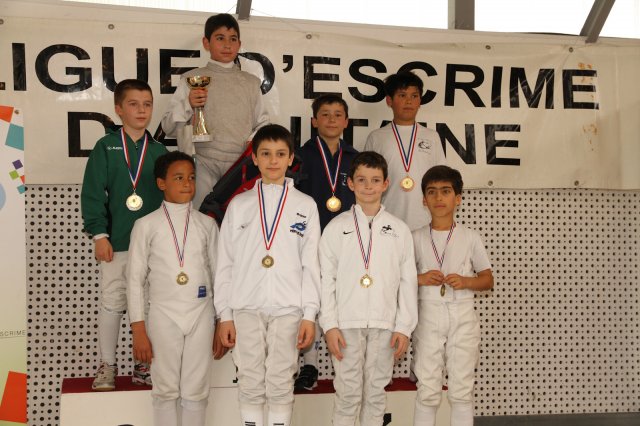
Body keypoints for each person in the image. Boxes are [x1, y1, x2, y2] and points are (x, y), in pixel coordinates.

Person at [215, 124, 321, 426]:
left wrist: (309, 314)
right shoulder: (239, 205)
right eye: (266, 154)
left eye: (280, 154)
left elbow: (311, 265)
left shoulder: (305, 206)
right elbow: (225, 263)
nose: (273, 161)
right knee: (249, 379)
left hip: (289, 307)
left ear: (291, 159)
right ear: (254, 158)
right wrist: (225, 314)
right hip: (245, 306)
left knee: (281, 380)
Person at [319, 151, 418, 426]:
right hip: (345, 324)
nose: (368, 186)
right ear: (350, 183)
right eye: (361, 180)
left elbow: (408, 282)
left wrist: (404, 327)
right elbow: (326, 280)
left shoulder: (399, 230)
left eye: (375, 180)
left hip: (385, 323)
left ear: (386, 184)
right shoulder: (336, 228)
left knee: (375, 393)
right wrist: (329, 325)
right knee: (347, 393)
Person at [81, 79, 168, 391]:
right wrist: (99, 235)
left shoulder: (159, 151)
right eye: (133, 104)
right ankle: (107, 364)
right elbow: (93, 193)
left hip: (153, 246)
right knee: (112, 301)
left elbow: (169, 199)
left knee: (148, 304)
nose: (141, 110)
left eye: (147, 104)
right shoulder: (106, 147)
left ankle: (144, 366)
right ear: (118, 109)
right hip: (116, 242)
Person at [126, 151, 219, 426]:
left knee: (196, 390)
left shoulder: (207, 224)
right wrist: (138, 329)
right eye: (178, 178)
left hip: (201, 313)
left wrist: (222, 320)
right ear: (161, 183)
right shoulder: (145, 225)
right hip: (163, 314)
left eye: (191, 177)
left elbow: (219, 276)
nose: (187, 183)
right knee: (165, 389)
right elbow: (134, 280)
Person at [411, 165, 494, 426]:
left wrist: (466, 281)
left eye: (446, 191)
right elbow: (398, 280)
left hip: (463, 315)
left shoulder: (470, 237)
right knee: (428, 388)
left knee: (461, 390)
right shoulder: (415, 238)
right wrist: (421, 279)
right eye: (432, 192)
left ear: (458, 198)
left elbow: (487, 280)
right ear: (423, 200)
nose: (438, 197)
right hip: (428, 315)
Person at [161, 13, 269, 209]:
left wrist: (251, 144)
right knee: (201, 219)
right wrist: (188, 104)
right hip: (201, 163)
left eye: (233, 39)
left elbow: (263, 124)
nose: (227, 45)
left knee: (238, 222)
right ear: (206, 43)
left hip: (239, 166)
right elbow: (168, 127)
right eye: (220, 38)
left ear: (239, 44)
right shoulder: (191, 79)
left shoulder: (251, 83)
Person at [294, 94, 358, 391]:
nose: (331, 120)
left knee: (339, 300)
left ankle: (343, 362)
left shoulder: (355, 158)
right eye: (325, 114)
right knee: (310, 300)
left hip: (346, 242)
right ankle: (309, 364)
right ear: (313, 121)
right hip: (309, 239)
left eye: (337, 114)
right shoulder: (299, 156)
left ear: (346, 122)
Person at [364, 70, 446, 232]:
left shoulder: (432, 136)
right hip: (387, 219)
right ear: (389, 101)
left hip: (424, 220)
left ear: (420, 101)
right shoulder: (377, 137)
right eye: (402, 95)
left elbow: (441, 179)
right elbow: (367, 182)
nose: (409, 101)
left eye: (414, 96)